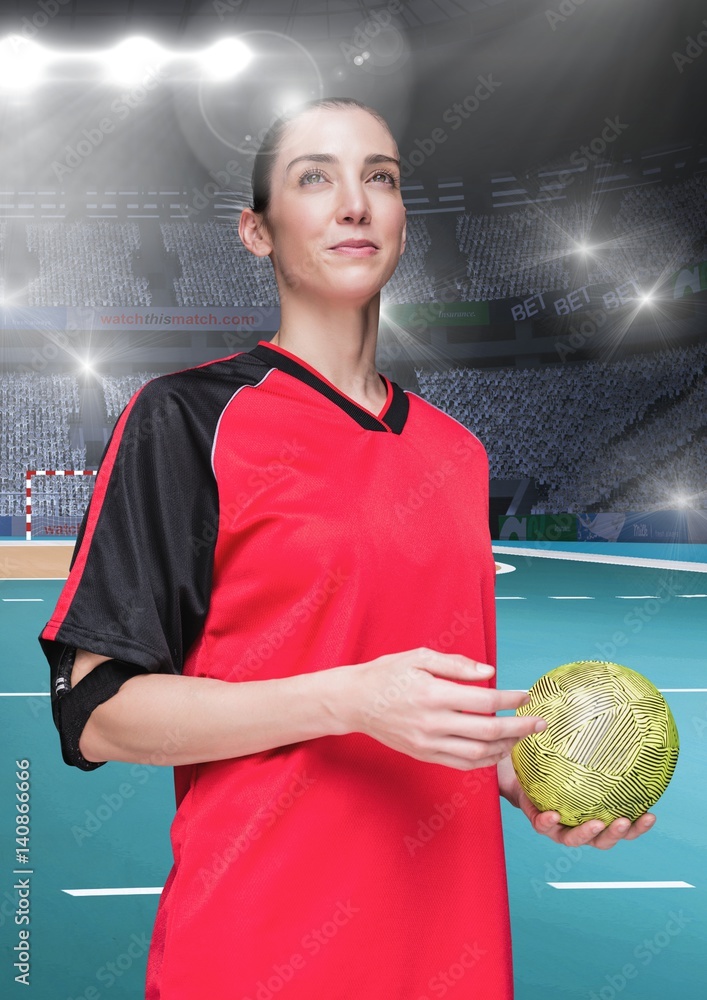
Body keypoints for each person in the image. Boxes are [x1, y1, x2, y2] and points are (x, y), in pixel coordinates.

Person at [38, 97, 654, 999]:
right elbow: (94, 711)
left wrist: (521, 777)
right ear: (257, 231)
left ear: (402, 220)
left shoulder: (455, 452)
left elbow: (427, 703)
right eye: (313, 178)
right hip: (256, 953)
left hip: (457, 954)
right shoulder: (187, 420)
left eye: (381, 177)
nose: (354, 203)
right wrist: (346, 699)